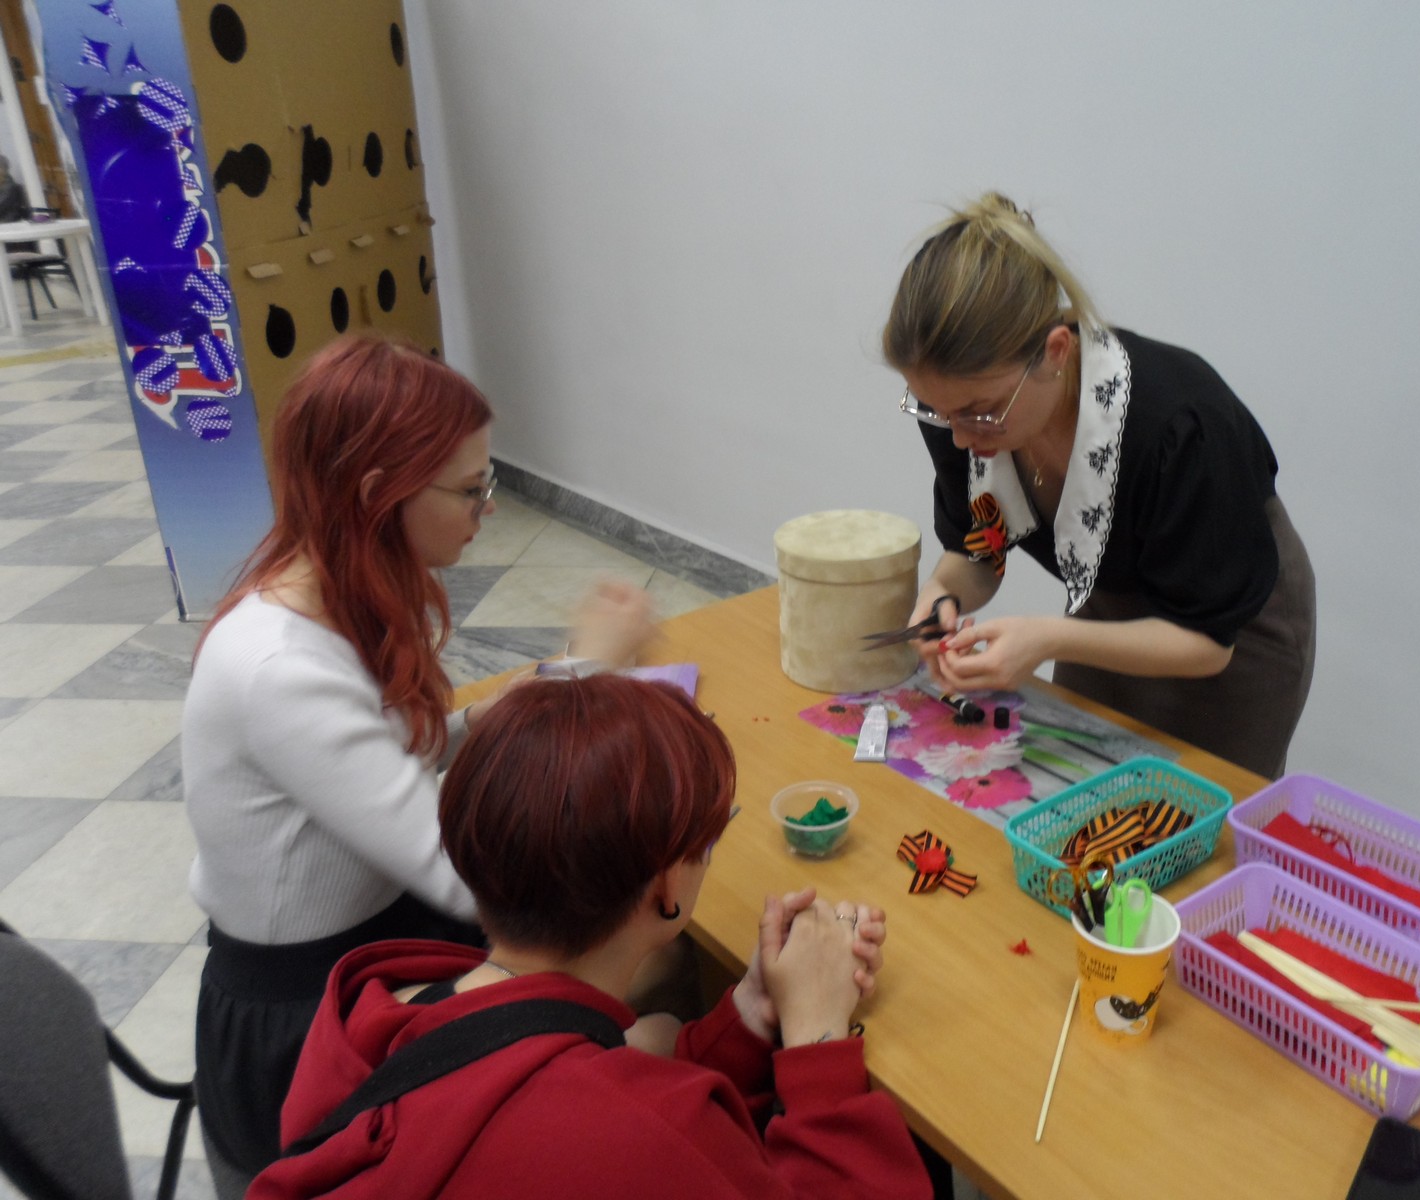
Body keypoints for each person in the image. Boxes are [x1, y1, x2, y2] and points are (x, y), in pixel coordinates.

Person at [182, 334, 656, 1194]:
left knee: (634, 993)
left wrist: (555, 685)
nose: (488, 508)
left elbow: (408, 749)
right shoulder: (279, 667)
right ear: (378, 494)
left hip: (382, 938)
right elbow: (471, 880)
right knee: (638, 995)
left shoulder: (340, 594)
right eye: (472, 490)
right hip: (305, 1023)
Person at [246, 674, 928, 1199]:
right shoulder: (627, 1139)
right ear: (667, 887)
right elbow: (637, 1131)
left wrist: (751, 1011)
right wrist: (818, 1040)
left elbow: (594, 1085)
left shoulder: (377, 1014)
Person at [883, 193, 1315, 779]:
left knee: (1198, 809)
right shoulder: (963, 409)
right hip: (1110, 594)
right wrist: (941, 596)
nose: (958, 437)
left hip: (1232, 622)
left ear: (1056, 352)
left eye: (979, 412)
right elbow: (977, 552)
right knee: (1082, 784)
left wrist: (1046, 639)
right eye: (937, 411)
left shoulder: (1182, 427)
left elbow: (1209, 643)